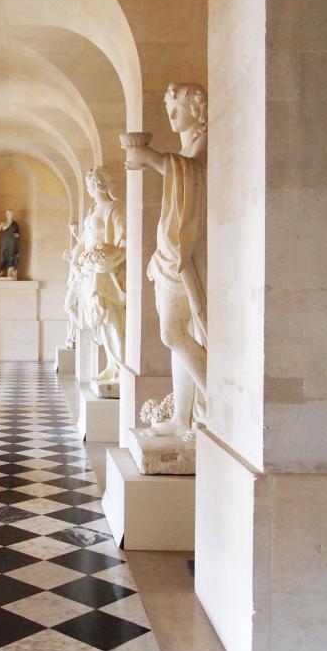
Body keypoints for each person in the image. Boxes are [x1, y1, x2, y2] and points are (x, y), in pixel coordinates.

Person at [124, 82, 208, 436]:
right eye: (168, 107)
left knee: (173, 333)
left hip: (188, 253)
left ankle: (216, 397)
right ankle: (181, 417)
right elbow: (185, 170)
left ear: (197, 107)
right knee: (178, 334)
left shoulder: (206, 141)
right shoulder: (190, 145)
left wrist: (154, 159)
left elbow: (194, 176)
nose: (170, 114)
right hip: (174, 252)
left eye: (176, 107)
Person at [70, 167, 126, 392]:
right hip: (90, 273)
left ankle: (122, 367)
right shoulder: (92, 210)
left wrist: (107, 260)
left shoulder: (115, 209)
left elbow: (124, 242)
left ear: (96, 185)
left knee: (112, 318)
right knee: (101, 321)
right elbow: (83, 242)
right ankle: (113, 365)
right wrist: (76, 261)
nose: (88, 189)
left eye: (89, 185)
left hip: (106, 274)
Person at [62, 222, 80, 347]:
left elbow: (78, 265)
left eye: (75, 230)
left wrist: (68, 259)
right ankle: (74, 334)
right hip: (74, 279)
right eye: (72, 231)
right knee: (70, 307)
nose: (74, 233)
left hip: (79, 280)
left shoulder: (82, 245)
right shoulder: (79, 245)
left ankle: (83, 326)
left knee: (68, 306)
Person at [0, 209, 20, 279]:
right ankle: (2, 271)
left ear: (12, 214)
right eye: (7, 213)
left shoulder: (15, 224)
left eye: (10, 213)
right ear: (6, 214)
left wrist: (16, 235)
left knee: (12, 256)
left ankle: (9, 273)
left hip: (12, 243)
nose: (9, 215)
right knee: (3, 257)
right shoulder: (2, 223)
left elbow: (18, 234)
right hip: (5, 243)